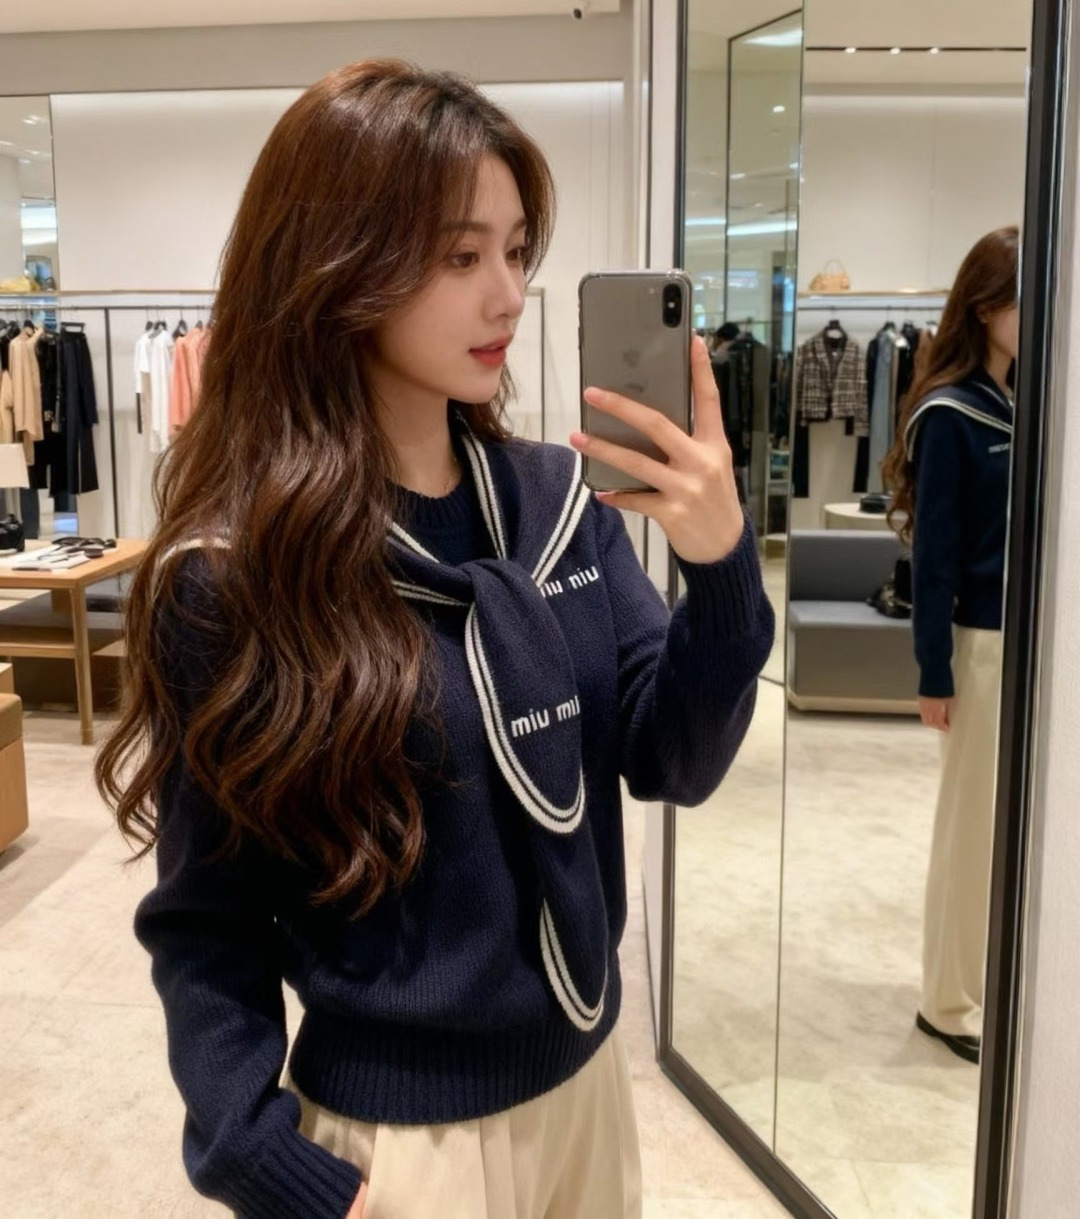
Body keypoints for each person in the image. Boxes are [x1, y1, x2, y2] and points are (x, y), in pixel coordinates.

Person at [96, 59, 775, 1219]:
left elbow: (677, 759)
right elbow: (207, 921)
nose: (508, 295)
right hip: (407, 1154)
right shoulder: (241, 575)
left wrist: (719, 570)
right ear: (339, 263)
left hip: (588, 1099)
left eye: (517, 251)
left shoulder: (557, 504)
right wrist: (264, 1157)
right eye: (461, 257)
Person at [882, 224, 1019, 1065]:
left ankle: (976, 979)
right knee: (968, 829)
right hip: (979, 644)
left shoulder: (1016, 398)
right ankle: (948, 1000)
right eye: (1023, 298)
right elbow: (933, 558)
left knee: (999, 829)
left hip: (1018, 644)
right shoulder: (950, 414)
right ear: (985, 305)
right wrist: (934, 671)